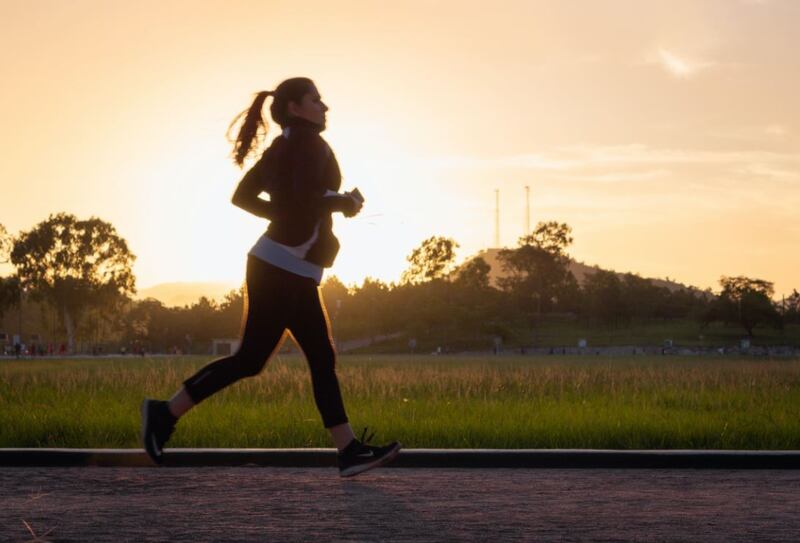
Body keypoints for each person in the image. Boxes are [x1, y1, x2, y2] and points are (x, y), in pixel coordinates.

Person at [141, 77, 401, 477]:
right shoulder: (303, 145)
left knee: (306, 356)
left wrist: (292, 216)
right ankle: (163, 413)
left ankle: (347, 450)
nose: (324, 106)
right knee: (264, 358)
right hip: (280, 267)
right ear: (296, 107)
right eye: (316, 100)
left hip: (285, 265)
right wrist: (343, 202)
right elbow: (301, 199)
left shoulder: (287, 145)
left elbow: (246, 196)